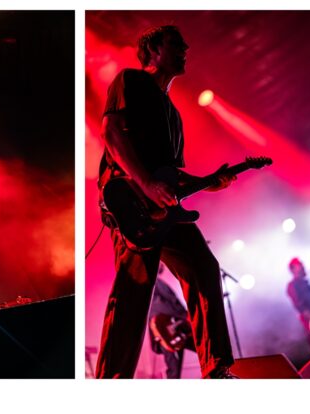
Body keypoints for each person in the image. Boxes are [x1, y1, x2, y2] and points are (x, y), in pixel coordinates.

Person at [96, 25, 237, 379]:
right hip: (131, 203)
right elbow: (111, 134)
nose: (186, 48)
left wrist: (210, 182)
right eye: (176, 43)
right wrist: (144, 182)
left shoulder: (173, 114)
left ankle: (217, 368)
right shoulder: (130, 80)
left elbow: (172, 176)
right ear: (154, 51)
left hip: (164, 210)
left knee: (204, 267)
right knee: (133, 293)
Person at [148, 273, 193, 379]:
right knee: (174, 370)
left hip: (175, 327)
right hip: (166, 331)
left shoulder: (155, 282)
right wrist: (185, 315)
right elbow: (158, 305)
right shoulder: (151, 283)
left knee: (207, 351)